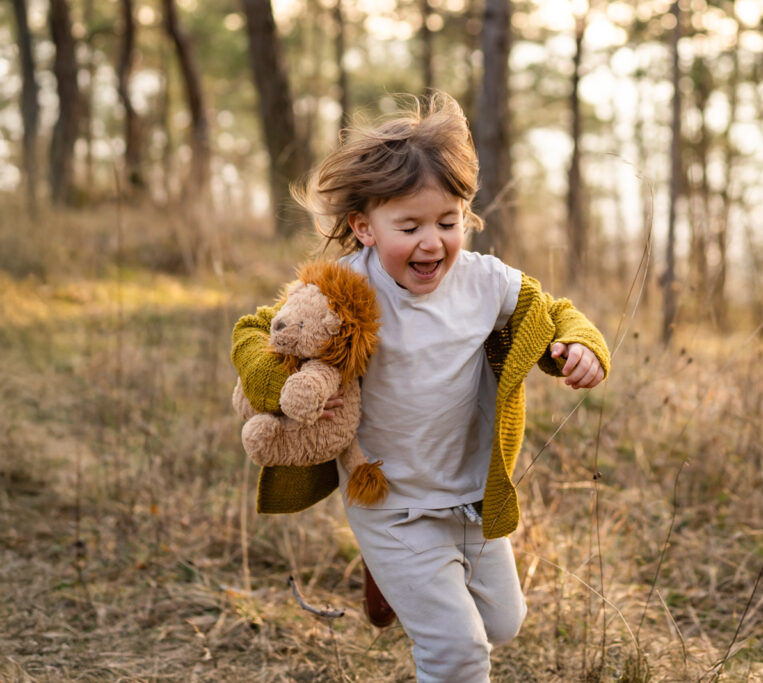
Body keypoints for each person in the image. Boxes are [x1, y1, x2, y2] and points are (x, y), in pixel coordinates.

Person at [231, 91, 610, 682]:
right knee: (458, 653)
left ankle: (391, 580)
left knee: (502, 623)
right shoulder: (340, 288)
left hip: (470, 498)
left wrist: (579, 350)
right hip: (389, 501)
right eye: (408, 226)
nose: (432, 242)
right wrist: (276, 385)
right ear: (365, 228)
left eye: (447, 221)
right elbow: (255, 331)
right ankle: (399, 566)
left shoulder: (485, 282)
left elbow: (552, 312)